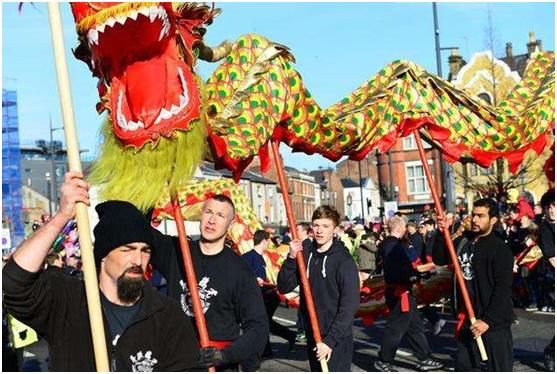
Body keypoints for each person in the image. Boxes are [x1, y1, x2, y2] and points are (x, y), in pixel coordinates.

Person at [2, 172, 200, 371]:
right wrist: (62, 216)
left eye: (145, 250)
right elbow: (14, 282)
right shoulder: (68, 300)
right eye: (127, 249)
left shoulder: (168, 316)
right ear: (103, 255)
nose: (138, 260)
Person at [149, 194, 269, 371]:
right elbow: (139, 228)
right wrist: (150, 186)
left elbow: (258, 329)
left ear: (230, 223)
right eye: (208, 212)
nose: (212, 220)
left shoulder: (240, 271)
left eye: (220, 215)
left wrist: (223, 356)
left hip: (217, 366)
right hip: (175, 361)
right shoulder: (177, 252)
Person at [433, 198, 514, 371]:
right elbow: (440, 258)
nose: (475, 220)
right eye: (473, 215)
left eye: (481, 216)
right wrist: (442, 233)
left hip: (493, 324)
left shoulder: (500, 249)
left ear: (493, 220)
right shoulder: (463, 242)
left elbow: (503, 289)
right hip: (468, 320)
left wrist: (487, 320)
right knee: (463, 367)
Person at [277, 205, 360, 372]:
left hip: (335, 337)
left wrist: (330, 341)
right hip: (312, 332)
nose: (319, 231)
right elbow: (284, 285)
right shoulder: (306, 251)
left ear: (335, 229)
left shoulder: (343, 260)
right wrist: (292, 258)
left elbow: (349, 305)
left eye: (325, 226)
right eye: (316, 225)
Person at [374, 216, 444, 372]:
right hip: (399, 292)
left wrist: (420, 274)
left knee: (415, 327)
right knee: (395, 329)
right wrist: (415, 275)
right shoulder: (393, 246)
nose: (406, 229)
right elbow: (397, 271)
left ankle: (424, 357)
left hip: (404, 291)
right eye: (404, 226)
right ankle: (384, 360)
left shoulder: (392, 244)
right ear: (400, 227)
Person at [243, 230, 296, 360]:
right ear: (264, 241)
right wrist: (254, 279)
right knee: (263, 323)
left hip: (267, 295)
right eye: (268, 241)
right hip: (260, 295)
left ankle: (266, 349)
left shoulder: (259, 257)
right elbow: (244, 276)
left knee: (263, 322)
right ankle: (285, 338)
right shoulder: (250, 257)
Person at [538, 189, 555, 371]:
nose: (551, 210)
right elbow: (552, 257)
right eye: (548, 207)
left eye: (554, 206)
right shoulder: (545, 229)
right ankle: (551, 351)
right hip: (553, 278)